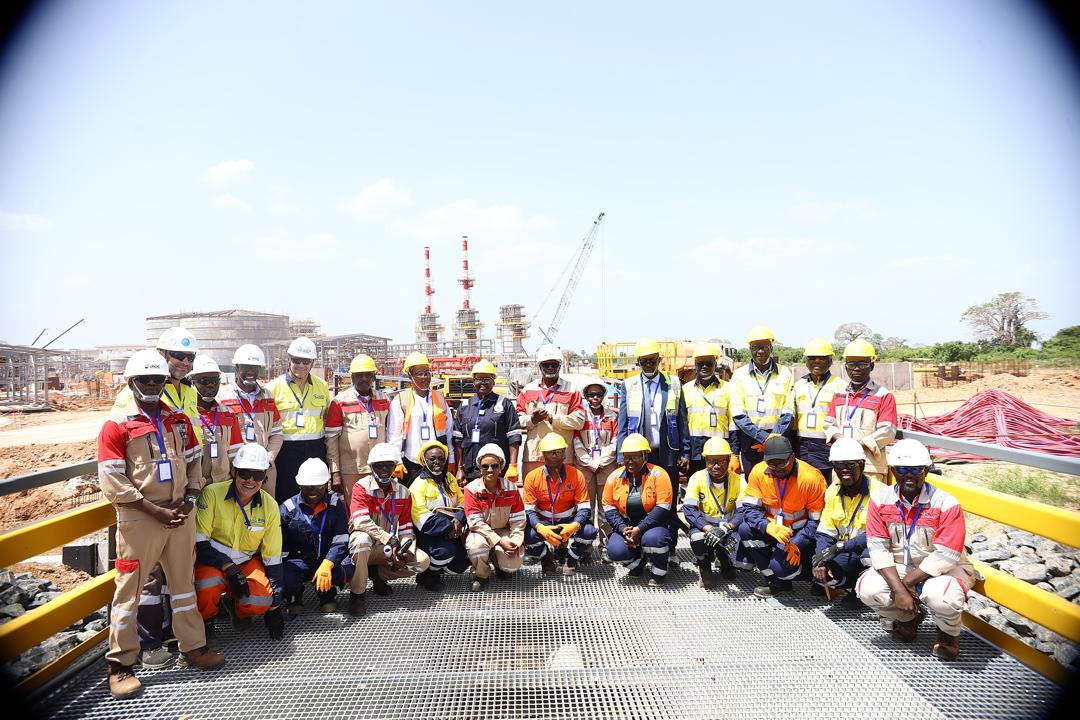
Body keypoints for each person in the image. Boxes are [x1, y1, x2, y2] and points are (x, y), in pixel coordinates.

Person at [97, 351, 225, 699]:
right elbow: (111, 478)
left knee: (183, 584)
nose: (153, 385)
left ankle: (193, 647)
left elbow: (196, 463)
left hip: (180, 514)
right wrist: (153, 510)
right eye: (145, 380)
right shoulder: (117, 425)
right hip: (141, 516)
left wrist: (191, 500)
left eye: (158, 380)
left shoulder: (178, 420)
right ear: (131, 383)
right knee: (130, 589)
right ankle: (120, 665)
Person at [856, 439, 976, 660]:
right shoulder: (880, 500)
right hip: (901, 567)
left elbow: (947, 555)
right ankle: (908, 619)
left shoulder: (946, 503)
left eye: (915, 469)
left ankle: (948, 633)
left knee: (942, 597)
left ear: (926, 471)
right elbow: (878, 549)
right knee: (868, 589)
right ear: (892, 471)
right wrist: (901, 590)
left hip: (946, 568)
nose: (908, 475)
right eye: (901, 469)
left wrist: (907, 584)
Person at [194, 443, 286, 644]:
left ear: (265, 477)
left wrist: (275, 608)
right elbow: (199, 542)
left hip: (245, 561)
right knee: (206, 585)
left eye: (258, 475)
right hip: (213, 561)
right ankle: (207, 623)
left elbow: (273, 557)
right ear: (233, 471)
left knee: (261, 599)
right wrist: (227, 566)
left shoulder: (270, 507)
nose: (250, 481)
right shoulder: (212, 494)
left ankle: (238, 610)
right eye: (245, 473)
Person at [737, 435, 826, 598]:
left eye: (782, 463)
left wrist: (797, 543)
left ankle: (813, 576)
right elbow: (749, 509)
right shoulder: (758, 472)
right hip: (773, 530)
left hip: (799, 535)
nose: (777, 468)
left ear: (792, 457)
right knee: (745, 529)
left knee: (781, 567)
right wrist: (767, 526)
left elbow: (818, 522)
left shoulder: (811, 479)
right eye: (771, 464)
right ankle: (778, 583)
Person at [348, 443, 430, 614]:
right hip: (366, 547)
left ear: (395, 466)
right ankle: (357, 594)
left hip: (388, 549)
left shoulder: (404, 493)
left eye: (389, 465)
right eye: (379, 465)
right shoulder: (361, 487)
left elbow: (407, 528)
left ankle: (378, 575)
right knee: (361, 540)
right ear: (371, 467)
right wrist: (389, 539)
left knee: (422, 562)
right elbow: (360, 521)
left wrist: (406, 549)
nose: (384, 470)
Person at [812, 438, 885, 599]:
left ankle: (869, 593)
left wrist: (840, 547)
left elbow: (878, 535)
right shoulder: (832, 491)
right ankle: (852, 588)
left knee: (869, 558)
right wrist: (821, 560)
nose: (845, 470)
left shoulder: (880, 493)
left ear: (862, 465)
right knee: (826, 575)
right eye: (839, 465)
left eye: (851, 465)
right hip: (847, 549)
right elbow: (825, 532)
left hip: (872, 548)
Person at [279, 458, 352, 615]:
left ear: (326, 484)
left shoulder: (336, 503)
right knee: (285, 573)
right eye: (307, 486)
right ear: (299, 485)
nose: (313, 491)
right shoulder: (287, 509)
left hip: (326, 558)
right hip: (300, 560)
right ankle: (294, 598)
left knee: (347, 565)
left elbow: (341, 538)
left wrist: (328, 563)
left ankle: (327, 597)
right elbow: (280, 545)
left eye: (318, 486)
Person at [602, 433, 674, 586]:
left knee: (653, 539)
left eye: (635, 457)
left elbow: (663, 507)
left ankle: (660, 569)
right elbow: (608, 508)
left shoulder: (659, 474)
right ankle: (638, 562)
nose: (630, 461)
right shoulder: (614, 477)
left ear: (645, 456)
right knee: (615, 551)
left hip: (653, 526)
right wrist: (623, 530)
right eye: (627, 457)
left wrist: (639, 529)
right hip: (626, 526)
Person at [823, 340, 897, 483]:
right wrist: (840, 440)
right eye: (851, 364)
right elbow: (828, 424)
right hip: (841, 465)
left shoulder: (883, 395)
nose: (856, 368)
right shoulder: (839, 394)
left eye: (862, 364)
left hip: (870, 467)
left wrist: (857, 445)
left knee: (870, 504)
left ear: (872, 365)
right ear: (846, 367)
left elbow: (887, 432)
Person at [267, 337, 331, 503]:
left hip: (315, 449)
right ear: (289, 359)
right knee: (286, 498)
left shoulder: (322, 386)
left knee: (314, 499)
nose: (301, 365)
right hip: (286, 452)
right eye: (297, 360)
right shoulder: (273, 388)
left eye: (306, 361)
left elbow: (326, 418)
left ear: (312, 362)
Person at [523, 433, 597, 575]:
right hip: (544, 521)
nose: (556, 455)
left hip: (569, 520)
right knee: (528, 535)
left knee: (589, 532)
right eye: (551, 453)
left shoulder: (576, 475)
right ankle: (546, 558)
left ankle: (572, 558)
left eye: (560, 452)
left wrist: (574, 525)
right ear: (543, 454)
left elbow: (584, 507)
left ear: (565, 454)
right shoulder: (532, 477)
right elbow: (529, 511)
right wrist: (540, 527)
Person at [325, 353, 391, 508]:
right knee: (353, 507)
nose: (364, 379)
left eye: (368, 375)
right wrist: (335, 472)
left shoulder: (384, 400)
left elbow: (392, 432)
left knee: (378, 506)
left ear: (373, 377)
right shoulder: (339, 402)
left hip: (380, 467)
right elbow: (331, 440)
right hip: (351, 468)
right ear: (352, 377)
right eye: (359, 375)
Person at [218, 344, 284, 494]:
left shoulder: (267, 396)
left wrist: (268, 459)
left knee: (264, 511)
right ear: (237, 367)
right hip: (235, 469)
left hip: (264, 470)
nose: (250, 371)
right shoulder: (223, 397)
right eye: (246, 367)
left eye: (254, 367)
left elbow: (277, 433)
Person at [729, 325, 795, 477]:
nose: (760, 351)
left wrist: (772, 439)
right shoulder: (739, 376)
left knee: (780, 481)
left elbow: (789, 411)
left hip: (779, 439)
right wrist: (763, 438)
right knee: (754, 482)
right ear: (749, 349)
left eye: (764, 347)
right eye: (755, 347)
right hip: (751, 440)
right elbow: (738, 415)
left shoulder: (785, 373)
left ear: (771, 347)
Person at [516, 344, 586, 481]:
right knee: (533, 496)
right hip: (534, 455)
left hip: (561, 456)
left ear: (560, 366)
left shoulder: (572, 390)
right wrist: (533, 419)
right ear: (539, 366)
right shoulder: (528, 390)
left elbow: (579, 421)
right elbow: (516, 419)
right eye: (546, 365)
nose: (550, 368)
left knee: (563, 497)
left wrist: (552, 418)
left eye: (554, 365)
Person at [463, 444, 527, 590]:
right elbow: (476, 523)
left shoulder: (512, 489)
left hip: (503, 531)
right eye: (485, 466)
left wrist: (515, 542)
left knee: (511, 566)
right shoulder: (471, 490)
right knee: (477, 547)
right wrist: (499, 542)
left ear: (501, 467)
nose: (490, 470)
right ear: (480, 468)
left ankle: (498, 563)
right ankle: (481, 575)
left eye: (494, 466)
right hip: (480, 533)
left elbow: (519, 521)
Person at [682, 437, 743, 588]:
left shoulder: (739, 480)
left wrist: (727, 528)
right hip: (705, 527)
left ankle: (726, 560)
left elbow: (744, 511)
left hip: (729, 528)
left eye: (721, 461)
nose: (716, 466)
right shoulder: (697, 478)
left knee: (745, 561)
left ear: (729, 460)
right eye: (711, 461)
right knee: (697, 538)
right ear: (705, 461)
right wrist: (709, 529)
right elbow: (689, 510)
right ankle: (704, 566)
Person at [409, 440, 469, 590]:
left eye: (441, 459)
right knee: (444, 552)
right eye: (432, 459)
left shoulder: (450, 478)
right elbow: (420, 517)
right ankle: (428, 575)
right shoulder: (418, 485)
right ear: (424, 461)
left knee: (462, 564)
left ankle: (438, 569)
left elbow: (462, 501)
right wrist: (448, 527)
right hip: (429, 533)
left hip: (453, 529)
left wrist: (460, 520)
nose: (437, 462)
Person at [388, 352, 456, 483]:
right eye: (419, 373)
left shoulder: (440, 398)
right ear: (410, 376)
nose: (424, 377)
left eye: (426, 373)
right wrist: (396, 460)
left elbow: (448, 431)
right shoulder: (401, 400)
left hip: (437, 462)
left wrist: (451, 459)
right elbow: (394, 435)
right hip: (411, 463)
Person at [453, 359, 522, 485]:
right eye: (479, 379)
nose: (482, 383)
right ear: (473, 381)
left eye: (487, 379)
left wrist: (513, 465)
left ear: (493, 381)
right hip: (471, 471)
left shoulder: (505, 404)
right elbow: (458, 441)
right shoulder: (464, 406)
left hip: (497, 470)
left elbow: (514, 437)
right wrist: (459, 468)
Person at [678, 342, 737, 478]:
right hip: (694, 452)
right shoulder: (685, 390)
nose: (704, 366)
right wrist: (685, 454)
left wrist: (734, 453)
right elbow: (682, 426)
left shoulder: (728, 389)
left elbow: (733, 424)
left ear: (715, 365)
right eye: (700, 363)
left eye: (709, 363)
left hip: (720, 452)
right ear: (695, 365)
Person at [793, 338, 847, 484]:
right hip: (802, 446)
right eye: (812, 358)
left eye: (821, 358)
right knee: (805, 485)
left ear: (830, 361)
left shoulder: (841, 386)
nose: (816, 361)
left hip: (827, 445)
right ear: (806, 361)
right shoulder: (798, 385)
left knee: (826, 485)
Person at [572, 379, 618, 542]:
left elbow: (615, 441)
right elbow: (576, 443)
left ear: (603, 395)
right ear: (586, 397)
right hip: (586, 469)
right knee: (587, 508)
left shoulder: (612, 416)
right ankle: (586, 546)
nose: (595, 398)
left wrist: (602, 461)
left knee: (606, 508)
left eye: (598, 394)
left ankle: (605, 544)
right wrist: (590, 463)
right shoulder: (581, 417)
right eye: (591, 395)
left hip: (606, 467)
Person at [189, 355, 244, 485]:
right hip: (196, 488)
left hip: (224, 484)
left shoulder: (228, 413)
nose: (210, 385)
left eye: (214, 380)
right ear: (191, 382)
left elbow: (235, 452)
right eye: (204, 380)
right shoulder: (185, 416)